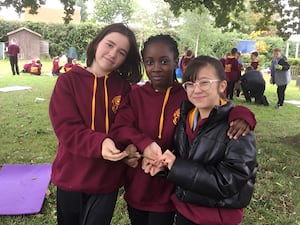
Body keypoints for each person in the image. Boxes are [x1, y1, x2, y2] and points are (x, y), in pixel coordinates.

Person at [108, 34, 256, 225]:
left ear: (176, 61)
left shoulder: (187, 96)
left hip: (174, 191)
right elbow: (120, 127)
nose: (156, 68)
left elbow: (219, 108)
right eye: (149, 62)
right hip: (139, 184)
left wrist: (244, 116)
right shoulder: (135, 94)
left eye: (164, 61)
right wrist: (141, 145)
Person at [146, 55, 258, 225]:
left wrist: (177, 166)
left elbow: (230, 181)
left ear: (222, 85)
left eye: (204, 82)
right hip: (185, 211)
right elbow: (188, 158)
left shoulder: (237, 127)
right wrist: (166, 167)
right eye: (190, 84)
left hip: (216, 218)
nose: (196, 90)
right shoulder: (186, 119)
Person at [49, 23, 142, 225]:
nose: (112, 54)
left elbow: (124, 127)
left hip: (106, 180)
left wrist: (127, 149)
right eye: (109, 44)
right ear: (97, 42)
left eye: (121, 52)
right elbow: (66, 128)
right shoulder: (68, 81)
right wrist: (100, 143)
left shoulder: (124, 89)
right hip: (71, 176)